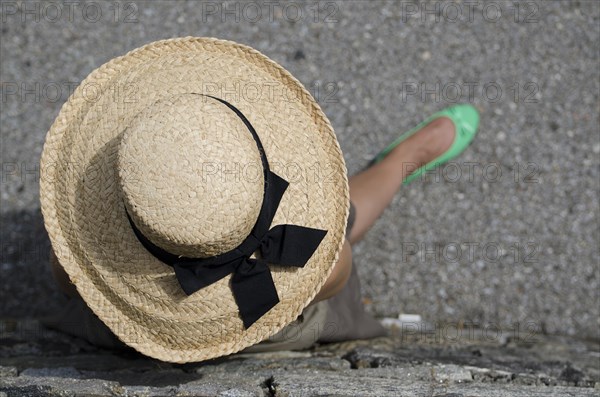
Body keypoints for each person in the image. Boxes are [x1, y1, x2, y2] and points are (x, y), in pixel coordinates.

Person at [44, 101, 479, 354]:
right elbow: (329, 266)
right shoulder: (323, 269)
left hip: (124, 325)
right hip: (263, 320)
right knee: (336, 225)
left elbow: (66, 279)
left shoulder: (76, 262)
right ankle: (401, 161)